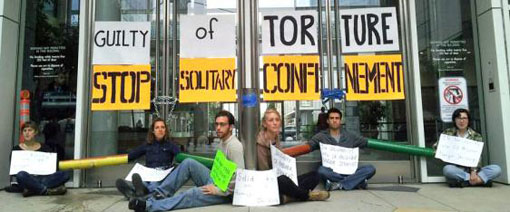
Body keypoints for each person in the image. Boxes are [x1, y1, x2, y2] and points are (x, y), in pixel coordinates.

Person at [128, 110, 245, 212]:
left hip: (225, 193)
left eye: (222, 125)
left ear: (231, 127)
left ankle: (148, 205)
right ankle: (158, 194)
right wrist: (211, 180)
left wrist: (218, 190)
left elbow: (239, 176)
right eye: (217, 124)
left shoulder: (234, 146)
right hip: (215, 180)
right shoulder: (222, 142)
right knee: (188, 163)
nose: (218, 128)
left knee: (191, 194)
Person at [257, 108, 329, 203]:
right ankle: (307, 195)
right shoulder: (260, 143)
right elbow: (264, 171)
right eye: (271, 120)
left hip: (282, 178)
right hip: (268, 181)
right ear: (264, 124)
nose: (275, 123)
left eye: (277, 120)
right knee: (282, 179)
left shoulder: (275, 138)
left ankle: (289, 197)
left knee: (315, 176)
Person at [308, 108, 376, 191]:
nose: (334, 120)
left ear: (340, 121)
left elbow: (366, 142)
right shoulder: (321, 136)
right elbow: (309, 145)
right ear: (327, 121)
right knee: (321, 171)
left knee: (370, 169)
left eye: (337, 118)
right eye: (332, 118)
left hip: (350, 171)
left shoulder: (350, 136)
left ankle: (339, 184)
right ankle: (357, 182)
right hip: (332, 172)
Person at [116, 118, 180, 200]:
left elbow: (180, 157)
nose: (160, 130)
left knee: (154, 185)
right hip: (148, 174)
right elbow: (131, 155)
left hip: (162, 176)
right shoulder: (147, 145)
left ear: (166, 130)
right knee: (141, 183)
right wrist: (117, 159)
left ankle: (135, 194)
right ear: (153, 131)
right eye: (157, 128)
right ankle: (137, 193)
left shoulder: (171, 145)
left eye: (162, 127)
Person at [435, 108, 501, 187]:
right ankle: (479, 181)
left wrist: (473, 171)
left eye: (464, 118)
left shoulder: (476, 135)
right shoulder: (448, 133)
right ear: (454, 120)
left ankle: (466, 182)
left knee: (496, 169)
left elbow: (477, 157)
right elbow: (436, 147)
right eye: (458, 118)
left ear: (468, 120)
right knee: (447, 169)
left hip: (475, 169)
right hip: (457, 169)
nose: (461, 121)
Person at [5, 121, 70, 197]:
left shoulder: (45, 148)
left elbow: (54, 166)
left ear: (35, 132)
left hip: (43, 178)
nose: (27, 133)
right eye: (25, 130)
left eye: (30, 130)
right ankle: (46, 191)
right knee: (21, 175)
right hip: (27, 178)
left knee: (65, 174)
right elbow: (14, 170)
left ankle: (32, 189)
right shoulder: (16, 149)